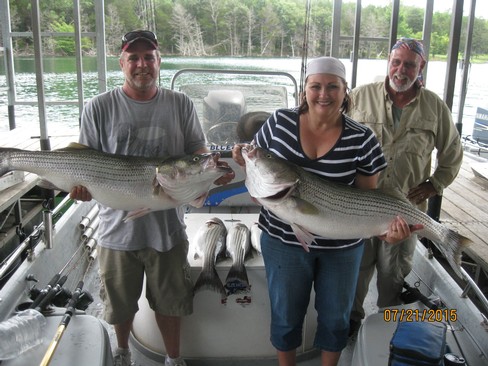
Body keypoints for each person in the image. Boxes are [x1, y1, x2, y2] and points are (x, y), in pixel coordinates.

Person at [232, 57, 419, 366]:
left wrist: (388, 232)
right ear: (304, 90)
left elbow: (366, 200)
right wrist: (247, 159)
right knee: (286, 315)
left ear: (346, 91)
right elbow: (256, 166)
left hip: (342, 248)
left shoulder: (363, 139)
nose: (323, 94)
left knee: (336, 319)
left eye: (333, 86)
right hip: (283, 242)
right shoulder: (278, 123)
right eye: (315, 86)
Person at [69, 30, 234, 366]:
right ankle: (123, 352)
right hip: (115, 231)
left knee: (170, 303)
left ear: (159, 61)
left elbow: (197, 150)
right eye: (134, 58)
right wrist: (79, 186)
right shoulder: (98, 107)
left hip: (168, 228)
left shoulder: (180, 103)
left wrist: (208, 169)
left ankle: (173, 359)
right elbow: (83, 161)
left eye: (149, 57)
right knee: (119, 304)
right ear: (122, 63)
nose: (141, 64)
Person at [347, 38, 463, 334]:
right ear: (388, 61)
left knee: (393, 275)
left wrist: (435, 184)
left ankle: (388, 330)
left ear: (421, 66)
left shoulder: (435, 106)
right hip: (358, 206)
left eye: (410, 64)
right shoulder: (359, 97)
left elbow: (452, 153)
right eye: (396, 62)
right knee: (355, 271)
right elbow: (333, 137)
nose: (401, 70)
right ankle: (350, 325)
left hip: (405, 213)